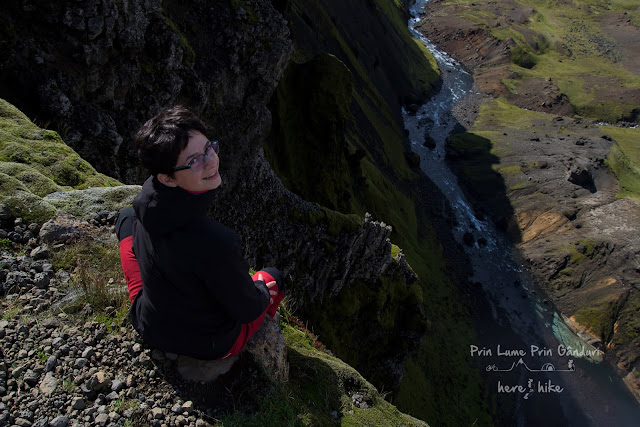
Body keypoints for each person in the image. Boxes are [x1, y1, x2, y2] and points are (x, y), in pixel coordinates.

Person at [115, 105, 284, 360]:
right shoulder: (217, 242)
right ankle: (256, 345)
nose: (212, 161)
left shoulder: (147, 199)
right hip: (209, 343)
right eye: (195, 161)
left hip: (147, 319)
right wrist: (260, 288)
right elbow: (247, 308)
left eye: (209, 148)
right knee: (273, 277)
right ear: (168, 178)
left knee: (127, 219)